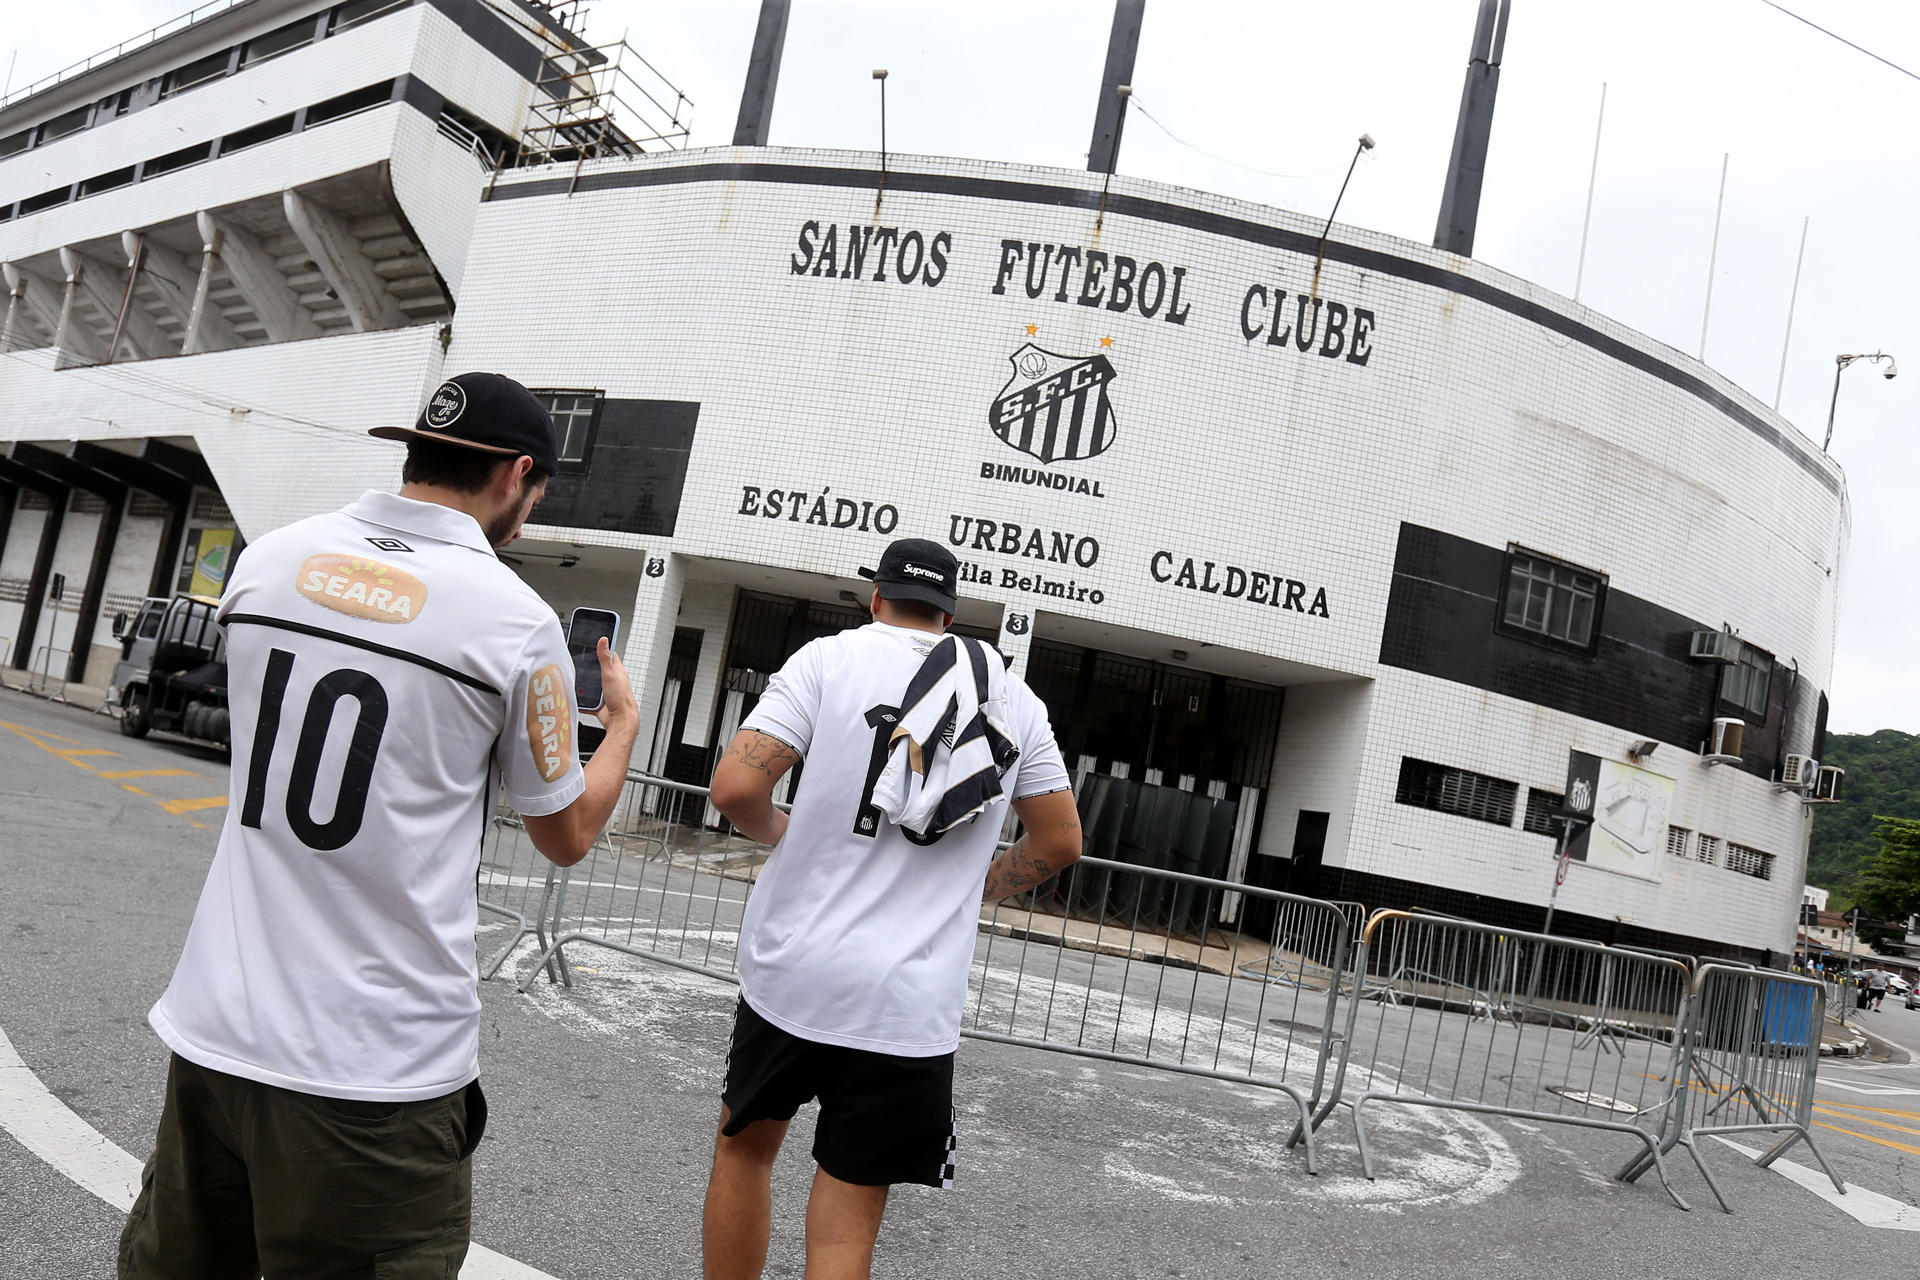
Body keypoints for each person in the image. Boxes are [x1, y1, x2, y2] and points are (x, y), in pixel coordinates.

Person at [120, 373, 641, 1278]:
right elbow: (566, 833)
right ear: (519, 474)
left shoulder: (270, 560)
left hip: (217, 1030)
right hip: (374, 1069)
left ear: (414, 450)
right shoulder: (516, 624)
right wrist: (623, 732)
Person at [702, 537, 1083, 1280]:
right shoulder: (1014, 698)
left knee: (744, 1152)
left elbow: (734, 790)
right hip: (908, 1001)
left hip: (795, 971)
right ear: (949, 613)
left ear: (877, 597)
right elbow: (1061, 841)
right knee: (849, 1221)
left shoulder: (827, 660)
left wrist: (786, 835)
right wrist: (972, 890)